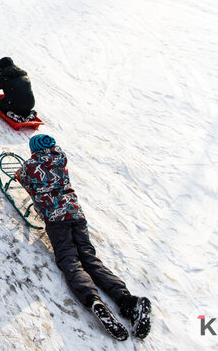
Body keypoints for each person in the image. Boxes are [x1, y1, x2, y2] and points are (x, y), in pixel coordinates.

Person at [15, 134, 152, 341]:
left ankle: (93, 299)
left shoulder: (30, 166)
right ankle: (128, 301)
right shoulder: (61, 158)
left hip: (56, 219)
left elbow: (23, 179)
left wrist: (23, 172)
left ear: (33, 149)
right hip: (76, 215)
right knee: (90, 258)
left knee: (69, 260)